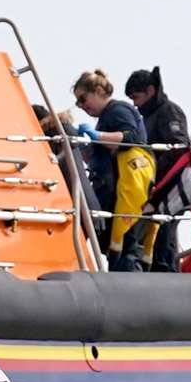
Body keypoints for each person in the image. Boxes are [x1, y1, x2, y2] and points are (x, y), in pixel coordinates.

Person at [70, 69, 156, 270]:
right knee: (116, 249)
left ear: (98, 91)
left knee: (126, 251)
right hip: (111, 189)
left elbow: (132, 137)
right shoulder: (106, 116)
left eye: (83, 99)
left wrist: (97, 136)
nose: (82, 106)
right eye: (78, 103)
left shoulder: (117, 110)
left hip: (122, 190)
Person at [125, 67, 191, 271]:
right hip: (155, 189)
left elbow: (178, 149)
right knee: (152, 241)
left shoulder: (169, 112)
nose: (135, 104)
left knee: (164, 240)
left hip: (169, 188)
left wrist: (152, 173)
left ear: (150, 91)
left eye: (136, 97)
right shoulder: (147, 117)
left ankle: (166, 273)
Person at [31, 104, 105, 248]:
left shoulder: (54, 134)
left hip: (80, 204)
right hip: (89, 205)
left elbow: (59, 159)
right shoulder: (64, 130)